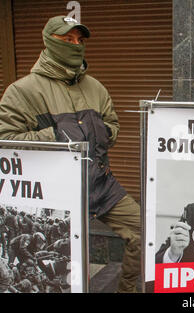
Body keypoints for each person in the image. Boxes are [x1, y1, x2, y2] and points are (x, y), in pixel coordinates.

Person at [0, 16, 141, 293]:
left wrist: (101, 133)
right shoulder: (22, 91)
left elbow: (112, 125)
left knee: (143, 231)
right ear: (49, 42)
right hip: (57, 190)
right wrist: (55, 137)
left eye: (79, 40)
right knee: (68, 262)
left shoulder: (95, 87)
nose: (76, 46)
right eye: (67, 40)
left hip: (100, 183)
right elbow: (6, 139)